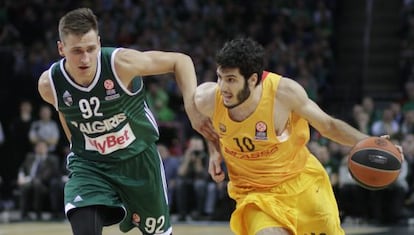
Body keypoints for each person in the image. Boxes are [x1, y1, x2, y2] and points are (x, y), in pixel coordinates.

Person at [194, 37, 403, 235]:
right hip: (254, 194)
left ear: (252, 79)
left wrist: (372, 143)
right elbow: (204, 124)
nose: (223, 87)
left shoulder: (283, 94)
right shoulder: (208, 99)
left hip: (301, 183)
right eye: (219, 77)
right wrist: (214, 150)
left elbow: (328, 125)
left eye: (231, 80)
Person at [37, 8, 215, 235]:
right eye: (77, 51)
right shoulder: (49, 84)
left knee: (158, 232)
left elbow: (180, 61)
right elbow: (65, 111)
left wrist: (191, 108)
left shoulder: (121, 63)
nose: (85, 58)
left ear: (99, 43)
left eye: (91, 49)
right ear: (61, 49)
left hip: (137, 159)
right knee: (84, 226)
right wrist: (79, 145)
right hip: (91, 164)